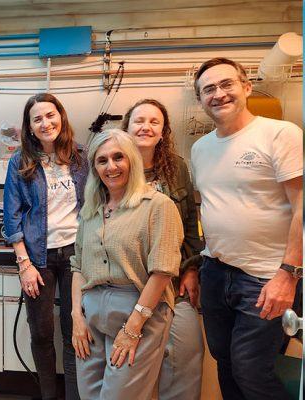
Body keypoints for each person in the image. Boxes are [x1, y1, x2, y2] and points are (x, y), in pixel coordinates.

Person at [190, 57, 303, 400]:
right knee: (225, 362)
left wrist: (289, 274)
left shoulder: (279, 134)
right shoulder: (200, 148)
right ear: (200, 99)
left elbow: (301, 207)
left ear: (247, 87)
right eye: (209, 89)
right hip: (216, 271)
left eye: (227, 84)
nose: (219, 94)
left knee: (251, 370)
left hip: (266, 276)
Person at [70, 129, 183, 399]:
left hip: (138, 311)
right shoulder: (91, 211)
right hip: (91, 313)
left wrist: (132, 329)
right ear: (94, 168)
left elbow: (162, 272)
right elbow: (78, 266)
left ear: (132, 159)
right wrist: (76, 317)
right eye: (102, 160)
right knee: (89, 395)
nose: (111, 167)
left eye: (118, 157)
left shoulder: (158, 206)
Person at [3, 93, 87, 400]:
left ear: (61, 117)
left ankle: (75, 395)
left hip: (77, 255)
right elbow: (11, 217)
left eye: (50, 115)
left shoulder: (82, 156)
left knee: (74, 331)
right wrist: (24, 264)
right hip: (38, 258)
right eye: (37, 119)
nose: (45, 123)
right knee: (41, 333)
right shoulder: (20, 162)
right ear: (29, 126)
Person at [122, 99, 205, 400]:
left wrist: (192, 267)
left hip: (172, 281)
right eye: (139, 120)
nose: (146, 127)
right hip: (128, 284)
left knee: (186, 356)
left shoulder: (177, 168)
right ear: (127, 128)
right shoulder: (114, 166)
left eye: (154, 122)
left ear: (163, 131)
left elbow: (191, 219)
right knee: (129, 369)